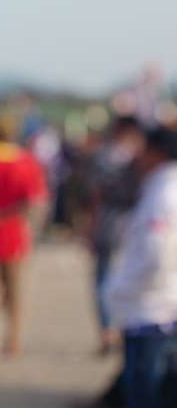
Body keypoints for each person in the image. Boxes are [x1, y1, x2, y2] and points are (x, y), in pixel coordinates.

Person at [91, 126, 177, 408]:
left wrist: (123, 290)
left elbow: (157, 257)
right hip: (158, 304)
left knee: (144, 390)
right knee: (161, 389)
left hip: (152, 308)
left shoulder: (164, 193)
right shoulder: (162, 188)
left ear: (157, 152)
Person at [0, 117, 47, 361]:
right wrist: (5, 216)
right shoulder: (26, 161)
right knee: (13, 290)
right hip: (13, 231)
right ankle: (12, 338)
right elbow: (33, 201)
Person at [86, 116, 146, 355]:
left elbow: (96, 195)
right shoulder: (142, 157)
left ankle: (107, 331)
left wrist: (91, 226)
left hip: (109, 226)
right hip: (134, 228)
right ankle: (123, 329)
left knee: (103, 280)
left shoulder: (104, 155)